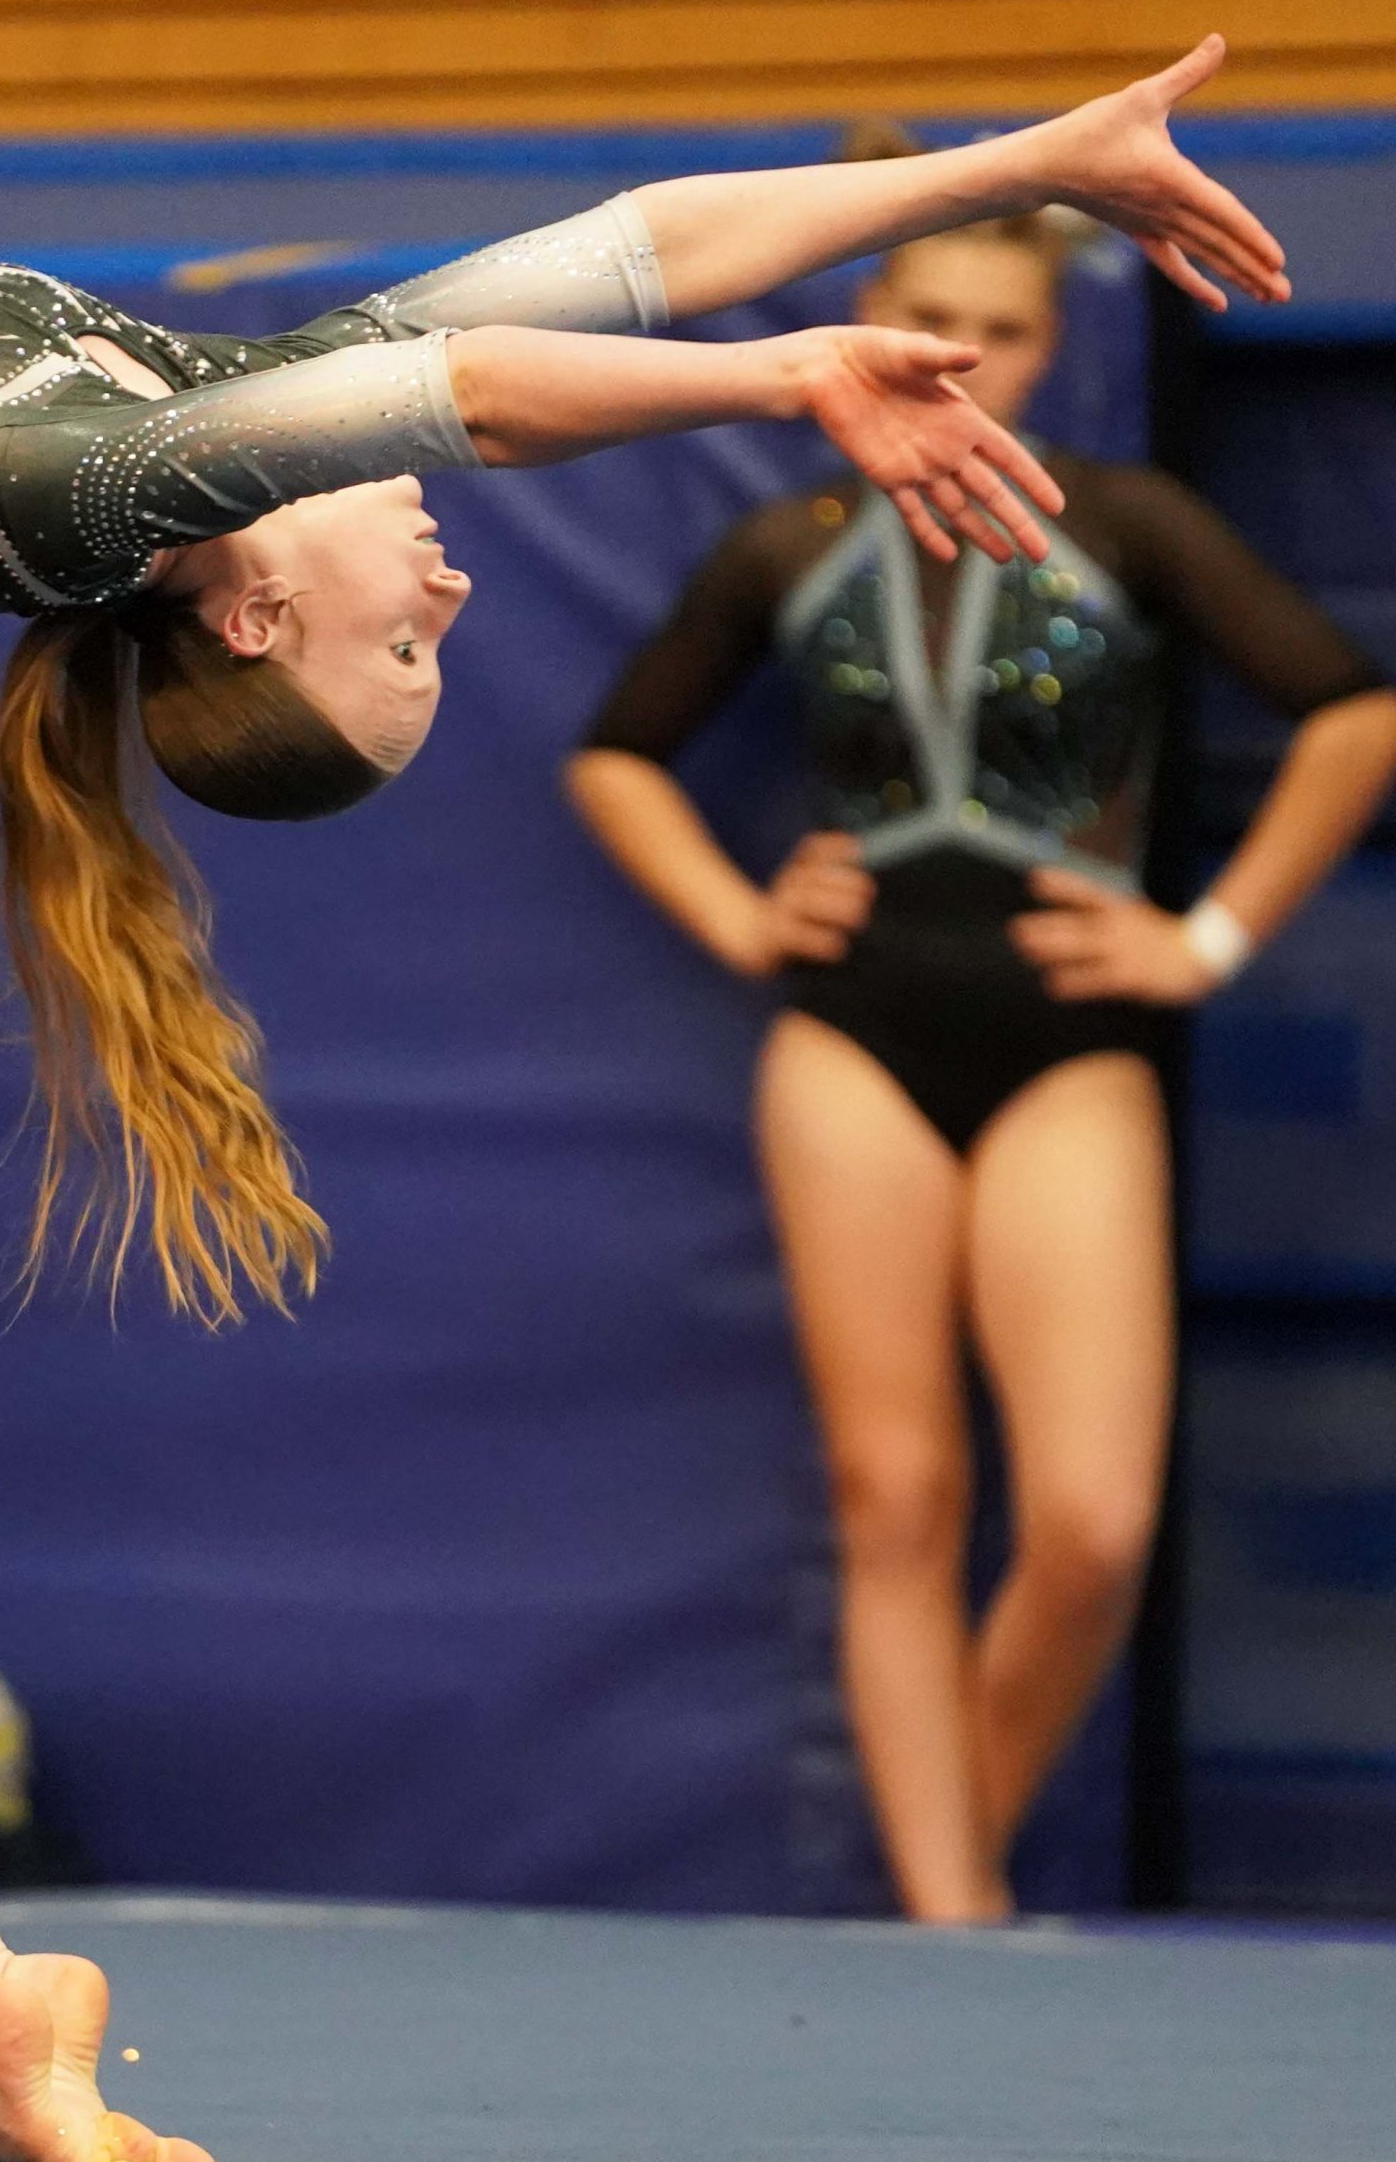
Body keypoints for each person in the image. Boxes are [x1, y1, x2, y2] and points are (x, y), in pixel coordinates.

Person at [0, 40, 1287, 2162]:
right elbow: (632, 254)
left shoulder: (119, 490)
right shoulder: (189, 413)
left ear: (251, 610)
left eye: (401, 660)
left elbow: (489, 394)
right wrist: (1024, 162)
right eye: (424, 658)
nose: (451, 601)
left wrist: (793, 383)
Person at [566, 105, 1396, 1927]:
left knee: (1091, 1522)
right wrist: (738, 910)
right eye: (933, 317)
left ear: (1049, 348)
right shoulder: (791, 542)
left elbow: (1355, 711)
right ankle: (957, 1923)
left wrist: (1206, 940)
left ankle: (944, 1869)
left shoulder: (1130, 525)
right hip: (851, 1037)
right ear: (876, 319)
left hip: (1067, 1036)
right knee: (897, 1494)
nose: (965, 354)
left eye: (1004, 329)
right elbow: (618, 755)